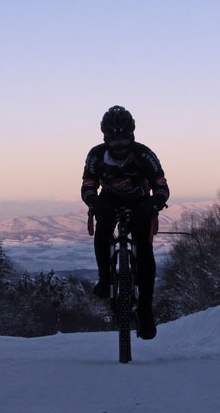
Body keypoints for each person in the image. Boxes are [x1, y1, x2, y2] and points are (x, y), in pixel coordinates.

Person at [81, 105, 169, 340]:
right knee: (103, 226)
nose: (119, 145)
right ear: (105, 138)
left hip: (140, 201)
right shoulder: (96, 155)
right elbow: (88, 186)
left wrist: (156, 202)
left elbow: (161, 186)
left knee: (144, 246)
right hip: (109, 200)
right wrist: (93, 202)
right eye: (114, 140)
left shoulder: (144, 155)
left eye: (124, 140)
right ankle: (105, 278)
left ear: (132, 135)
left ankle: (145, 309)